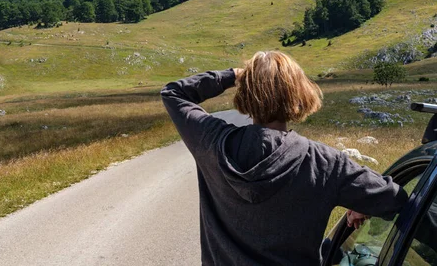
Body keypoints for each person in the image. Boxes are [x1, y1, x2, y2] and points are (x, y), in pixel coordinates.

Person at [160, 51, 408, 266]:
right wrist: (362, 200)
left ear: (245, 93)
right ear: (299, 93)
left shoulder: (212, 141)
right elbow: (395, 198)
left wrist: (235, 75)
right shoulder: (325, 163)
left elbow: (173, 93)